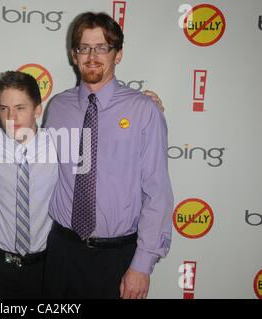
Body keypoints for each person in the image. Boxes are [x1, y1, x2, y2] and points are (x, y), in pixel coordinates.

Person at [43, 12, 174, 299]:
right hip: (61, 252)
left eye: (102, 47)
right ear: (73, 55)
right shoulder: (57, 107)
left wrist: (142, 265)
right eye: (84, 48)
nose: (92, 56)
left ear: (118, 54)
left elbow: (158, 192)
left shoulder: (143, 111)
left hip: (118, 258)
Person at [0, 71, 58, 298]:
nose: (11, 117)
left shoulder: (58, 145)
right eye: (4, 109)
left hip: (45, 268)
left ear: (37, 110)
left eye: (20, 108)